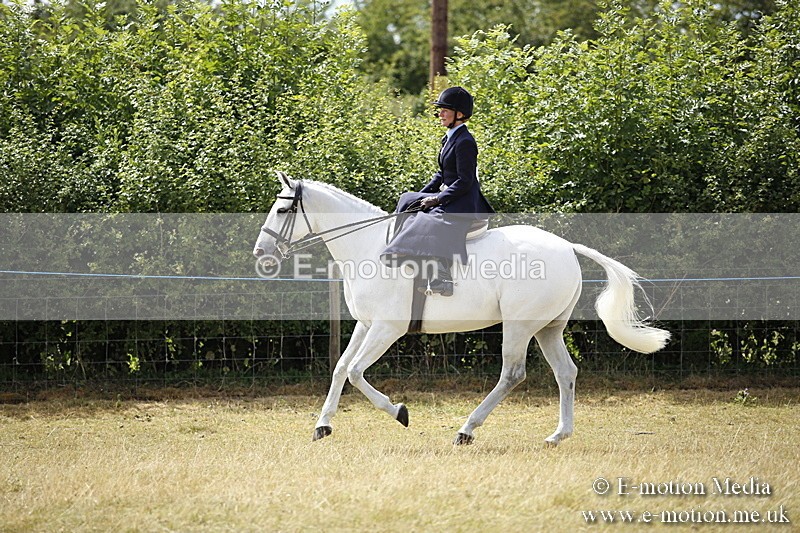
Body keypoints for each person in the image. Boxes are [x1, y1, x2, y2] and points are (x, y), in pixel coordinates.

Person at [381, 86, 495, 296]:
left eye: (445, 110)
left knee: (427, 221)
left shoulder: (466, 142)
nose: (439, 114)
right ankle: (403, 251)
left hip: (464, 201)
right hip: (451, 194)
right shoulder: (449, 137)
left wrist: (437, 199)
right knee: (407, 198)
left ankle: (442, 276)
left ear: (459, 114)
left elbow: (465, 181)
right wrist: (421, 194)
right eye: (439, 110)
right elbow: (442, 175)